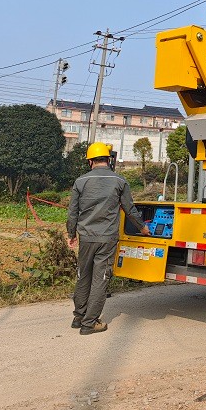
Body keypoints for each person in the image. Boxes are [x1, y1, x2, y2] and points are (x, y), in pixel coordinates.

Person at [67, 142, 149, 335]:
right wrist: (142, 227)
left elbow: (73, 213)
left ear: (90, 161)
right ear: (109, 159)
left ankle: (79, 317)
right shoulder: (119, 181)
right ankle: (90, 323)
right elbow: (130, 209)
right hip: (107, 238)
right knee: (100, 279)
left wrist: (72, 234)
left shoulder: (80, 182)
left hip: (86, 237)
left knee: (83, 275)